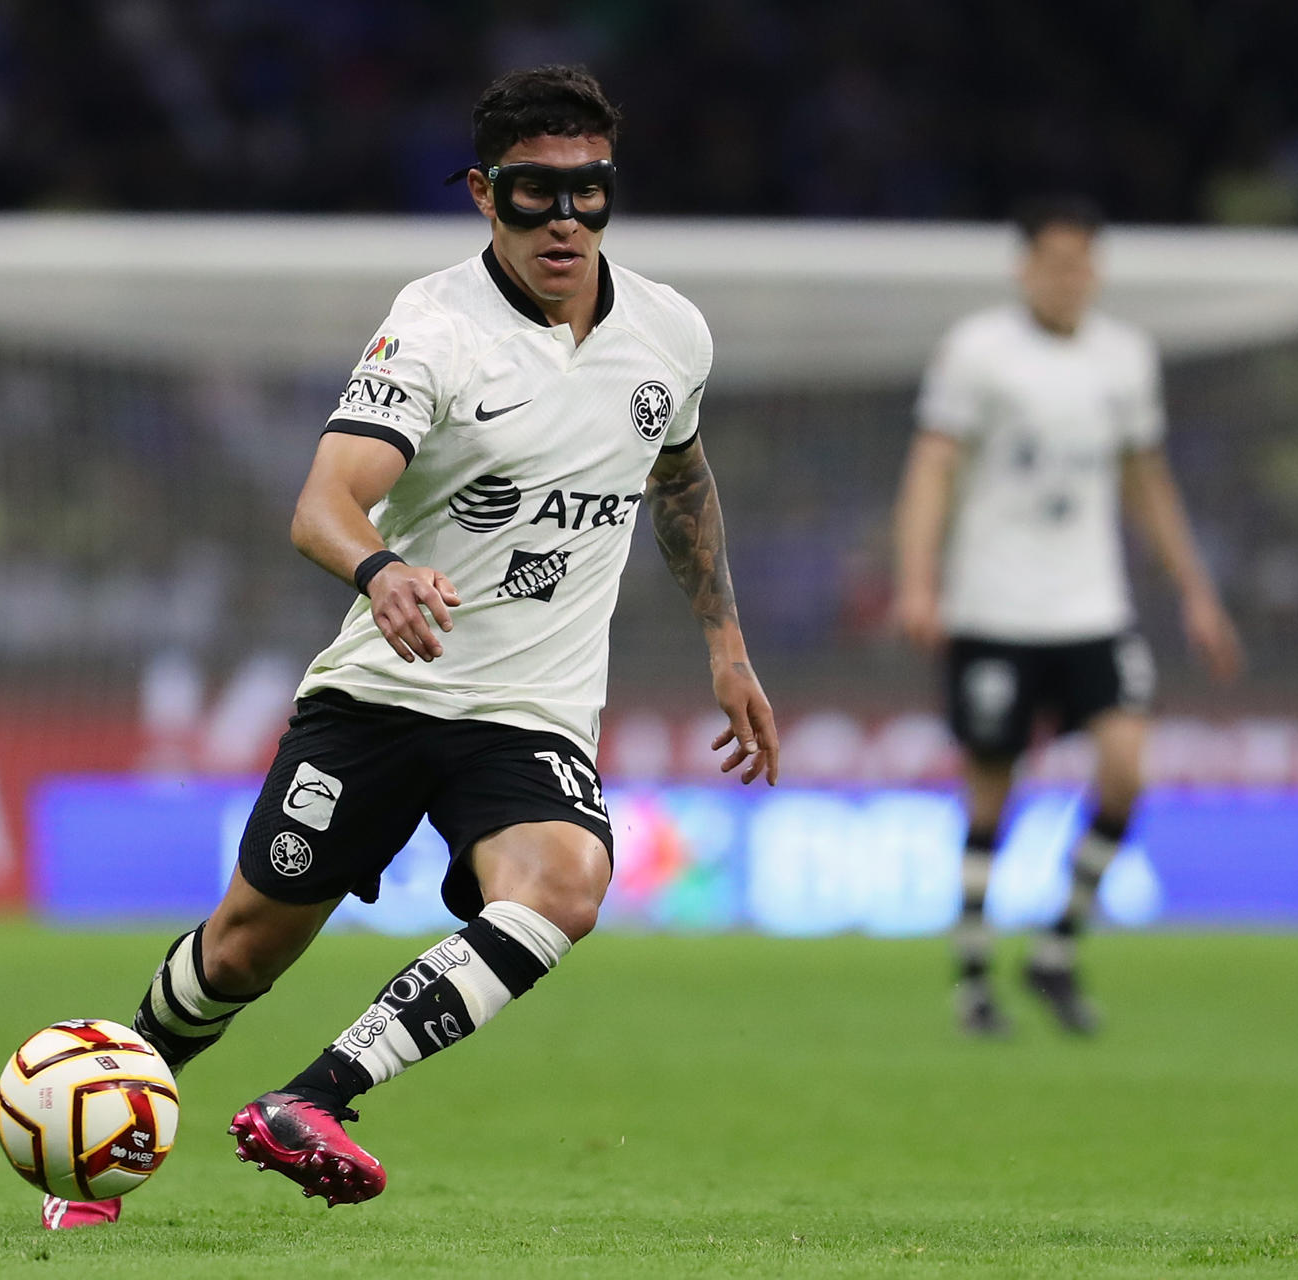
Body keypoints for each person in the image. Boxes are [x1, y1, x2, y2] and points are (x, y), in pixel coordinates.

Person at [40, 64, 779, 1230]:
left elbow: (681, 480)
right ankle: (101, 1116)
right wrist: (380, 570)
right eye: (537, 193)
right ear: (486, 194)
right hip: (386, 690)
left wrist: (726, 643)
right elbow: (324, 499)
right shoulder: (435, 327)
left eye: (592, 193)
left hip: (527, 711)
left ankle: (315, 1098)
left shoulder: (669, 335)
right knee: (241, 949)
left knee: (569, 881)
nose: (567, 220)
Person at [891, 195, 1240, 1038]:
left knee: (1127, 770)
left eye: (1081, 263)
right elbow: (933, 466)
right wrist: (916, 581)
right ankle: (973, 973)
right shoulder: (978, 351)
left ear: (1097, 269)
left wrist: (1194, 589)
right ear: (1024, 267)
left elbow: (1145, 480)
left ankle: (1055, 946)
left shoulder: (1125, 358)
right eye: (1053, 262)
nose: (1068, 278)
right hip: (995, 605)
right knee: (991, 791)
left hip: (1092, 605)